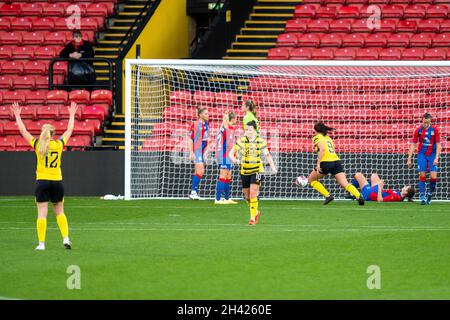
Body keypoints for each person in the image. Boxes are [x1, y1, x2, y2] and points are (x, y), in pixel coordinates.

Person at [11, 101, 78, 251]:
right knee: (59, 211)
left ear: (42, 133)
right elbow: (70, 129)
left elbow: (23, 131)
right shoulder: (59, 145)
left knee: (42, 213)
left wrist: (17, 115)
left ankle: (41, 244)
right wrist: (72, 114)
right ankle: (66, 238)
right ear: (53, 134)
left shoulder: (37, 145)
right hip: (57, 182)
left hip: (42, 182)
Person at [229, 121, 277, 225]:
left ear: (255, 130)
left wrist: (273, 167)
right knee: (247, 196)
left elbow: (267, 155)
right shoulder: (241, 141)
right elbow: (230, 154)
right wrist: (235, 160)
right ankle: (256, 211)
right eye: (246, 129)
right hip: (245, 170)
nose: (247, 131)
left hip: (257, 170)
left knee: (253, 193)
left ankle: (252, 218)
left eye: (250, 129)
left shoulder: (260, 141)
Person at [307, 122, 364, 205]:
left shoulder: (316, 137)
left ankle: (327, 196)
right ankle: (358, 196)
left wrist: (318, 164)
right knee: (345, 183)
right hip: (336, 161)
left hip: (326, 162)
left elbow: (322, 150)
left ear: (316, 130)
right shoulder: (328, 138)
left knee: (311, 180)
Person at [407, 113, 441, 205]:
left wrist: (437, 158)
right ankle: (422, 197)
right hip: (421, 154)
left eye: (428, 123)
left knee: (433, 177)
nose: (426, 124)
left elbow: (438, 145)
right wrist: (409, 158)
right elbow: (413, 144)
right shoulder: (418, 130)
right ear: (422, 120)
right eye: (425, 122)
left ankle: (430, 194)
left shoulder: (435, 130)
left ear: (430, 122)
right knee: (422, 175)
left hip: (432, 155)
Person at [215, 111, 238, 205]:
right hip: (223, 154)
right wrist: (225, 116)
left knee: (228, 176)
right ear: (232, 119)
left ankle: (227, 198)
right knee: (223, 176)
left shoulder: (230, 129)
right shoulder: (225, 128)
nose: (237, 120)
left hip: (228, 154)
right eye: (235, 118)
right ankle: (218, 199)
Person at [351, 172, 416, 202]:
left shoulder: (396, 197)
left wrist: (380, 187)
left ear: (406, 192)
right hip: (375, 191)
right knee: (374, 175)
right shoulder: (398, 194)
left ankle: (352, 193)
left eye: (406, 187)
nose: (405, 186)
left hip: (370, 194)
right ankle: (355, 192)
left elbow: (380, 200)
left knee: (358, 175)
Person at [188, 107, 209, 200]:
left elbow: (207, 140)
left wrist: (205, 152)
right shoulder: (195, 124)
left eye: (207, 113)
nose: (207, 115)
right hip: (197, 150)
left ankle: (193, 192)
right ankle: (193, 192)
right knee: (200, 171)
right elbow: (190, 139)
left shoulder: (207, 124)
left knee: (198, 171)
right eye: (205, 113)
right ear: (200, 115)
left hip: (202, 151)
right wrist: (191, 152)